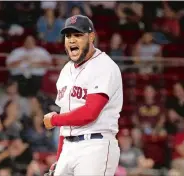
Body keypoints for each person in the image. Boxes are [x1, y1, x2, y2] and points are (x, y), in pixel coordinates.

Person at [43, 15, 123, 176]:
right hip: (69, 146)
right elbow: (65, 122)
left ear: (91, 36)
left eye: (78, 35)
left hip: (95, 145)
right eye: (68, 36)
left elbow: (90, 113)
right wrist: (59, 159)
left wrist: (54, 119)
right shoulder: (66, 70)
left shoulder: (104, 66)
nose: (72, 40)